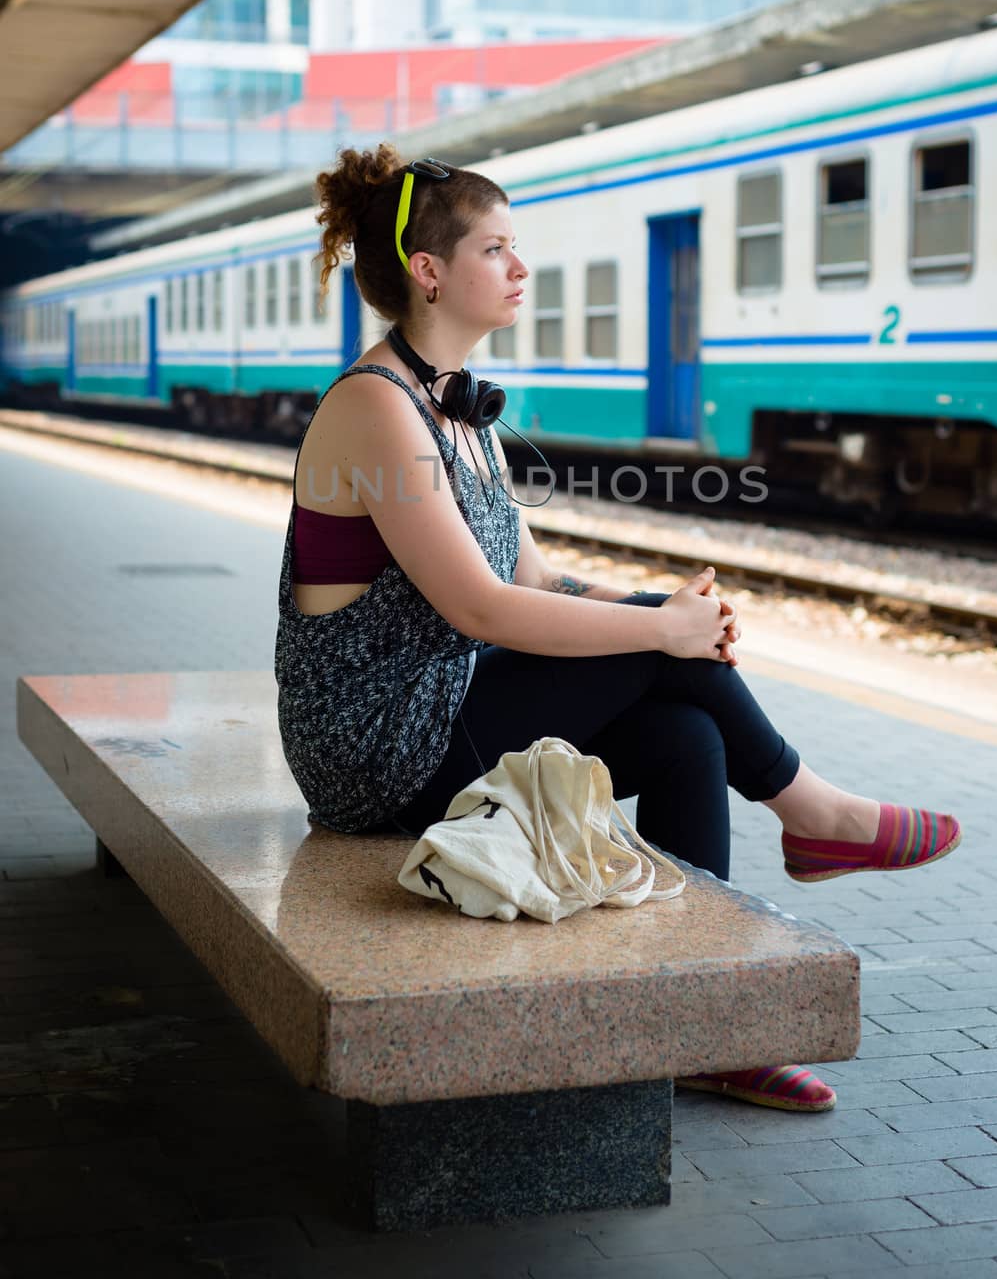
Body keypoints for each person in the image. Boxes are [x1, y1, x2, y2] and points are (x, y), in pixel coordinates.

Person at [274, 143, 962, 1115]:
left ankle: (705, 1031)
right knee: (656, 650)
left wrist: (661, 608)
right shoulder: (375, 407)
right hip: (374, 749)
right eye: (497, 249)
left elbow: (538, 577)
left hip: (439, 713)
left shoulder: (456, 413)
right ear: (429, 272)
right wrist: (661, 629)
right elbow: (481, 609)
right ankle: (818, 815)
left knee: (688, 735)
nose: (520, 269)